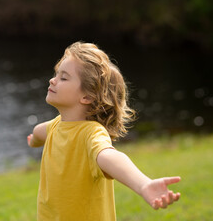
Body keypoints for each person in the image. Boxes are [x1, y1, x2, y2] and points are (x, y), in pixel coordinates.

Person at [27, 41, 181, 220]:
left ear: (87, 96)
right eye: (56, 74)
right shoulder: (55, 126)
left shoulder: (91, 133)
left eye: (64, 77)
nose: (52, 80)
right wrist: (34, 141)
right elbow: (39, 131)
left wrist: (143, 184)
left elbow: (110, 156)